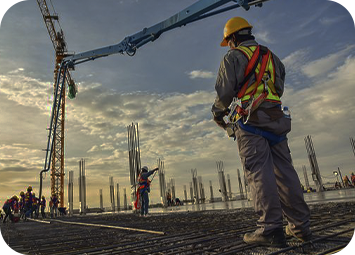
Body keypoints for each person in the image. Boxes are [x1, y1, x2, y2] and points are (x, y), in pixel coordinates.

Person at [211, 17, 311, 247]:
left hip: (250, 121)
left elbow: (225, 94)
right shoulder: (272, 57)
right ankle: (301, 227)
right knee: (285, 173)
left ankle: (270, 229)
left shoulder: (233, 57)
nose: (229, 46)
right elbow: (278, 88)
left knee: (258, 173)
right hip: (276, 118)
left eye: (228, 42)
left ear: (233, 37)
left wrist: (217, 114)